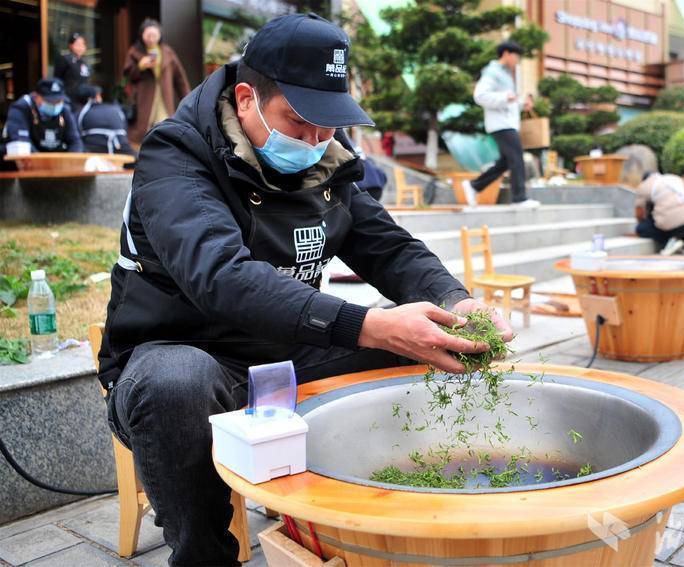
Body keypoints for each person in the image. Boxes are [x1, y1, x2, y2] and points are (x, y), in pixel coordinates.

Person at [98, 14, 511, 566]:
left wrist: (456, 302)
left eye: (328, 126)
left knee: (427, 340)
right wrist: (368, 324)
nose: (315, 141)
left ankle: (382, 513)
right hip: (184, 354)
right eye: (298, 121)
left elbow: (389, 249)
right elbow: (222, 278)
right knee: (177, 383)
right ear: (246, 99)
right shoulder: (175, 156)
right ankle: (203, 554)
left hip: (283, 355)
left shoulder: (325, 160)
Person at [462, 41, 540, 208]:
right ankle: (519, 198)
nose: (517, 60)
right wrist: (505, 97)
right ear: (506, 53)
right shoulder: (492, 72)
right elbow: (480, 95)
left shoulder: (506, 74)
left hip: (506, 123)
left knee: (505, 162)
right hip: (501, 124)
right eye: (516, 56)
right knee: (517, 157)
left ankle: (474, 186)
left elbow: (508, 102)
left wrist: (521, 104)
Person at [123, 18, 191, 145]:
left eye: (154, 35)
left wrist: (188, 99)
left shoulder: (167, 52)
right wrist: (140, 66)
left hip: (164, 98)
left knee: (165, 130)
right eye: (148, 35)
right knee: (142, 134)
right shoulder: (134, 51)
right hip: (143, 100)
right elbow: (127, 77)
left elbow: (180, 79)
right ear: (142, 34)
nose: (151, 39)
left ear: (159, 35)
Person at [0, 78, 83, 158]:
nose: (55, 105)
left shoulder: (64, 109)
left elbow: (75, 141)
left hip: (56, 159)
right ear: (36, 96)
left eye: (58, 101)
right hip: (27, 159)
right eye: (50, 101)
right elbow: (21, 142)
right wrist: (43, 161)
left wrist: (70, 161)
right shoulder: (22, 108)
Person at [635, 172, 684, 255]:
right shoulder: (674, 178)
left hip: (670, 225)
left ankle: (669, 242)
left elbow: (639, 213)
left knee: (641, 228)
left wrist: (643, 221)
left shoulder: (644, 186)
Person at [77, 85, 135, 156]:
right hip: (122, 149)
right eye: (99, 95)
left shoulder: (82, 112)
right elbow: (125, 131)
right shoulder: (116, 110)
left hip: (94, 152)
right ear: (96, 97)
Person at [53, 32, 92, 112]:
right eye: (78, 44)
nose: (81, 47)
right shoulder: (65, 59)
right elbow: (57, 79)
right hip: (69, 101)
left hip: (84, 101)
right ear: (70, 45)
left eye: (83, 44)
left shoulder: (85, 62)